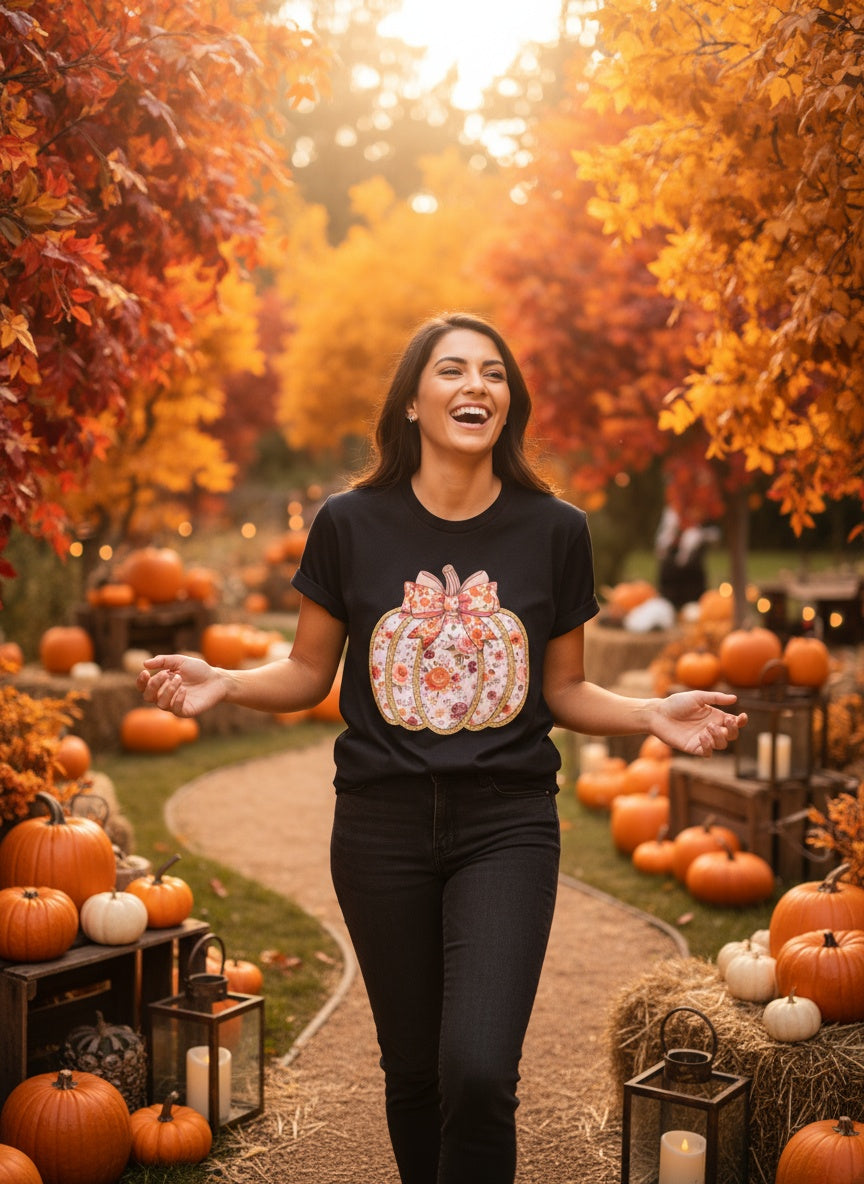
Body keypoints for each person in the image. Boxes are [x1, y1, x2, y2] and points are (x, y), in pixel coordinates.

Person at [137, 312, 746, 1184]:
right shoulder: (350, 522)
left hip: (507, 825)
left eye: (493, 373)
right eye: (453, 370)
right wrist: (225, 681)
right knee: (414, 1070)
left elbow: (564, 688)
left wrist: (652, 713)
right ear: (414, 403)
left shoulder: (554, 529)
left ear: (510, 402)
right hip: (379, 829)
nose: (476, 387)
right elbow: (310, 672)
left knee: (481, 1071)